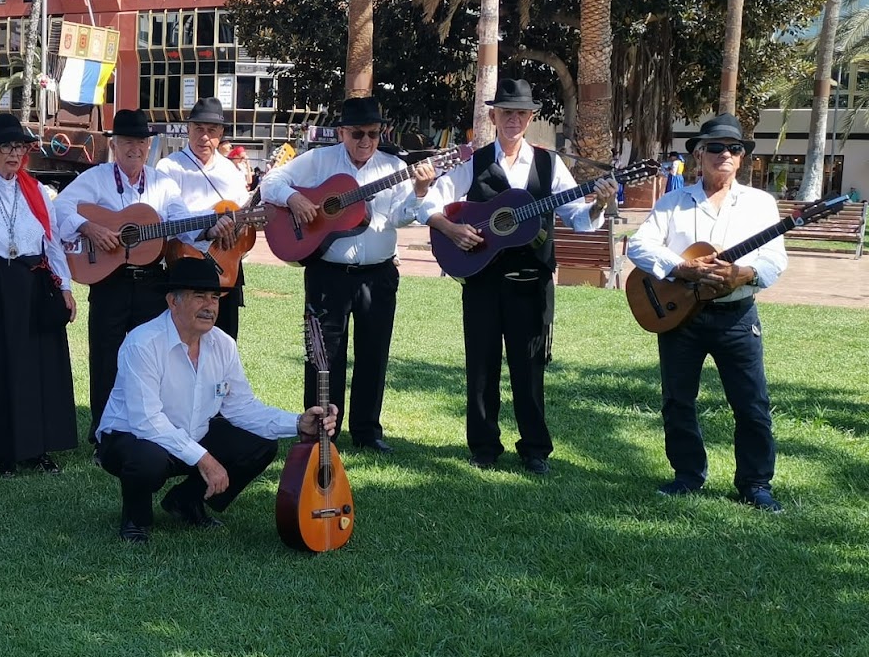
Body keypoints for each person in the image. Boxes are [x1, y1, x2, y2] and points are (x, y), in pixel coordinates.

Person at [421, 78, 611, 474]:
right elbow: (431, 203)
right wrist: (451, 229)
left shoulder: (549, 164)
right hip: (482, 278)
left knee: (529, 367)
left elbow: (579, 217)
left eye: (521, 114)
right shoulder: (475, 162)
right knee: (481, 365)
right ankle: (484, 446)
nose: (513, 120)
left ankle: (535, 449)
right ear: (493, 117)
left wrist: (599, 205)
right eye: (506, 112)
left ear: (530, 118)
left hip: (530, 281)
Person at [96, 258, 337, 542]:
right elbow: (146, 421)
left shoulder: (223, 344)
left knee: (260, 444)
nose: (209, 306)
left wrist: (298, 423)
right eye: (199, 296)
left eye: (214, 297)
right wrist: (205, 459)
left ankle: (186, 501)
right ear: (173, 302)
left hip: (191, 435)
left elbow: (243, 407)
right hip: (129, 437)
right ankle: (135, 521)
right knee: (147, 460)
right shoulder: (143, 343)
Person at [626, 114, 788, 512]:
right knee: (678, 400)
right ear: (699, 154)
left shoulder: (760, 204)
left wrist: (743, 274)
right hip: (681, 315)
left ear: (742, 157)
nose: (725, 155)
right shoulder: (674, 202)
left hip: (737, 317)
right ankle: (687, 475)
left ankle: (755, 483)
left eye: (734, 148)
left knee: (751, 403)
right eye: (715, 147)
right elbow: (640, 246)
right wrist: (681, 267)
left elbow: (774, 259)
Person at [259, 95, 436, 453]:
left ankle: (367, 431)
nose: (366, 141)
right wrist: (293, 198)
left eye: (373, 133)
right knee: (324, 355)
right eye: (358, 134)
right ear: (342, 132)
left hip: (378, 274)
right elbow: (270, 182)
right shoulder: (318, 161)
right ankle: (322, 428)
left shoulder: (393, 166)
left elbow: (401, 216)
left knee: (374, 353)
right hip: (328, 272)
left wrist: (419, 192)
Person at [52, 107, 181, 439]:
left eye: (141, 142)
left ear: (149, 146)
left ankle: (149, 431)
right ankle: (104, 434)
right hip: (109, 282)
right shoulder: (96, 178)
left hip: (153, 283)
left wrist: (211, 225)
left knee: (151, 357)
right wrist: (89, 227)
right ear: (114, 145)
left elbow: (183, 222)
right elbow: (60, 207)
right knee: (106, 358)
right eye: (127, 142)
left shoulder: (163, 184)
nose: (135, 148)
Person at [0, 112, 77, 476]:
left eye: (20, 147)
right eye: (6, 147)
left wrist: (65, 286)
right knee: (3, 366)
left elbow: (52, 242)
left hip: (35, 282)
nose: (14, 154)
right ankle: (3, 451)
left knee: (40, 367)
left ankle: (38, 448)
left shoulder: (37, 191)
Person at [154, 96, 254, 337]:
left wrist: (236, 230)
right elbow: (167, 217)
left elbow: (244, 215)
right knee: (180, 338)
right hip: (184, 263)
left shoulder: (230, 171)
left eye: (211, 130)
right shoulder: (169, 167)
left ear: (221, 133)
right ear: (188, 130)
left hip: (225, 265)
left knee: (224, 339)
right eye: (198, 129)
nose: (204, 137)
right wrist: (209, 230)